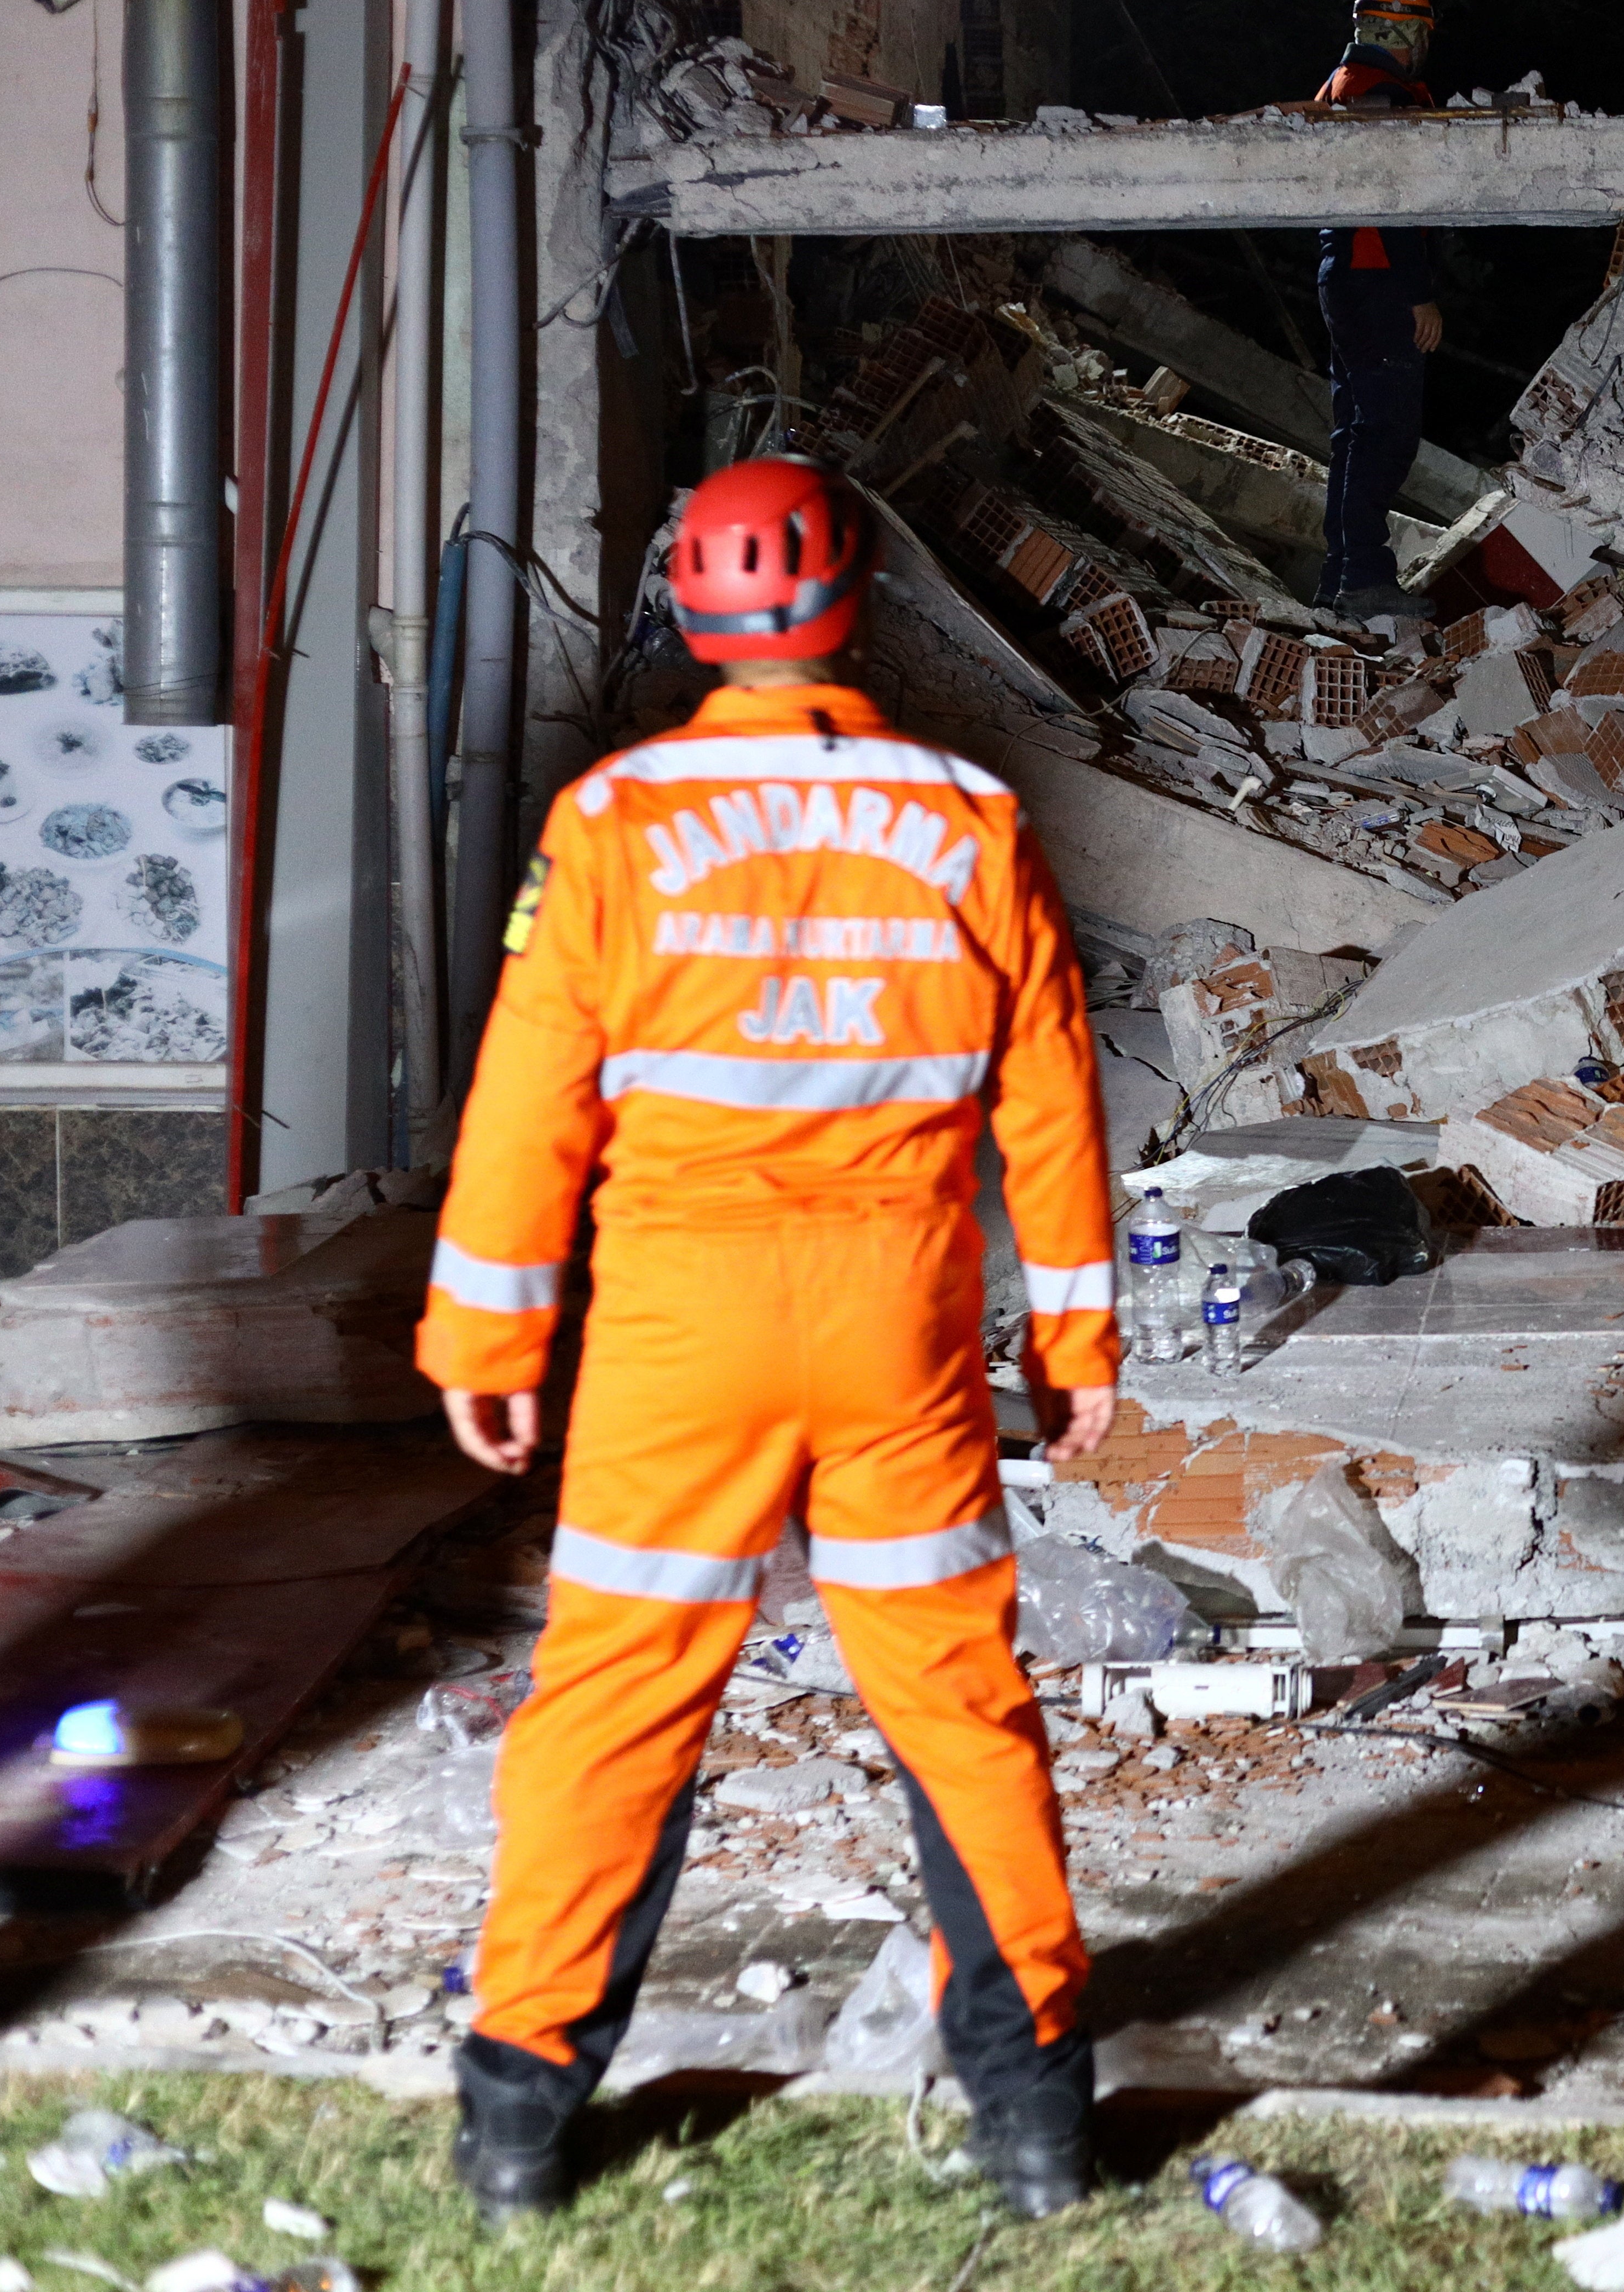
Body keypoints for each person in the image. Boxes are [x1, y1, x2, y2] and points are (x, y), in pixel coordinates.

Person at [414, 455, 1120, 2225]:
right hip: (898, 1321)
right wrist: (1082, 1333)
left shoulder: (613, 824)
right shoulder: (966, 819)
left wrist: (482, 1333)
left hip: (679, 1330)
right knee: (958, 1709)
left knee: (614, 1710)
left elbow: (526, 1108)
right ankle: (1035, 2127)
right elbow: (1049, 1091)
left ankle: (520, 2123)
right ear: (850, 607)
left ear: (695, 619)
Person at [1309, 0, 1443, 623]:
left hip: (1343, 278)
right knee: (1385, 437)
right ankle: (1363, 577)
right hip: (1378, 281)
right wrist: (1418, 294)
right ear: (1406, 33)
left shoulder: (1341, 87)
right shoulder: (1380, 95)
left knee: (1355, 435)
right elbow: (1390, 200)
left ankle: (1340, 577)